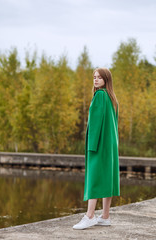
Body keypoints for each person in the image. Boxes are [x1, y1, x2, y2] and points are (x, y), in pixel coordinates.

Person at [73, 67, 120, 230]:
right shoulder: (112, 98)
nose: (95, 80)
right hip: (111, 144)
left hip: (99, 144)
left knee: (93, 178)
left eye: (99, 77)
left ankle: (90, 215)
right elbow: (115, 124)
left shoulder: (99, 96)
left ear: (106, 79)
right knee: (108, 177)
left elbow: (95, 124)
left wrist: (91, 147)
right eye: (94, 77)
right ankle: (105, 216)